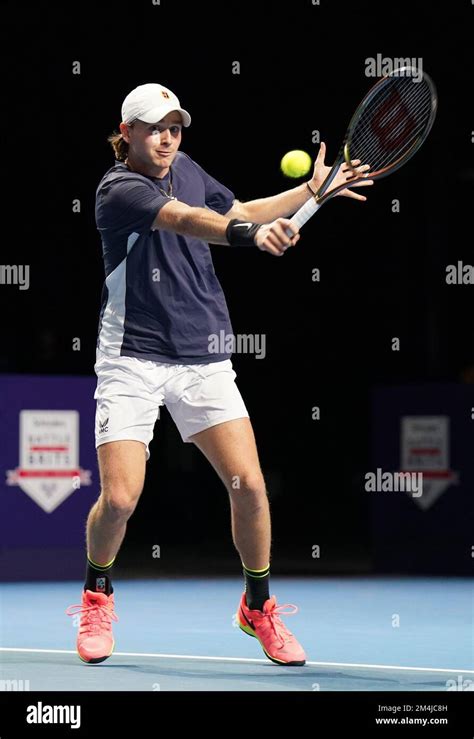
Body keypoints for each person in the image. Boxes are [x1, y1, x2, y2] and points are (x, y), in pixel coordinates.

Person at [66, 83, 372, 666]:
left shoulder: (187, 166)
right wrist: (250, 236)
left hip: (203, 354)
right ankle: (97, 593)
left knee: (250, 485)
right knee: (122, 498)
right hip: (132, 356)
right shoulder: (118, 189)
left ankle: (257, 607)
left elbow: (237, 212)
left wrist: (309, 191)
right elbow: (188, 221)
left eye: (175, 128)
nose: (167, 138)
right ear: (126, 131)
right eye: (155, 128)